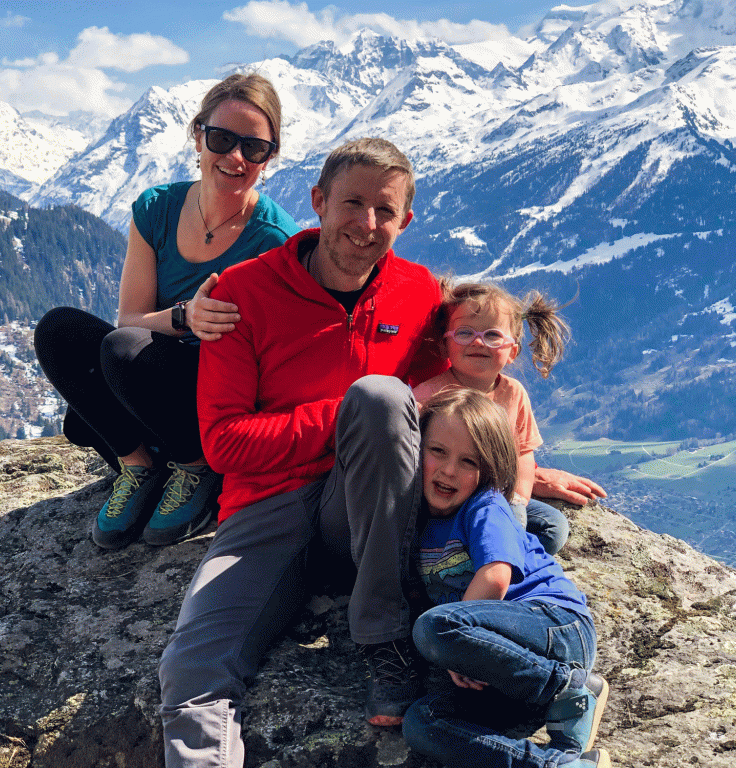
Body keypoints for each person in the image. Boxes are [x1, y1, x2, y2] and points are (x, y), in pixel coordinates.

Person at [158, 137, 448, 767]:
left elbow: (452, 398)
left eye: (385, 211)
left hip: (368, 507)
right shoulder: (243, 292)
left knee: (380, 399)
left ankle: (384, 640)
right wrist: (345, 418)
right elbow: (225, 443)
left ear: (406, 220)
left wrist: (520, 460)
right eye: (351, 203)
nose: (366, 224)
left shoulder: (420, 291)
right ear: (318, 202)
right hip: (269, 505)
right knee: (194, 669)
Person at [34, 73, 299, 550]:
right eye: (221, 139)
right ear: (198, 135)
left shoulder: (274, 242)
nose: (236, 157)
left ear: (270, 156)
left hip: (218, 393)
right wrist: (186, 318)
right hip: (151, 369)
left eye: (254, 148)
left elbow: (275, 368)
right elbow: (130, 318)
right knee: (61, 331)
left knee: (119, 360)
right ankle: (141, 467)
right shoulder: (156, 208)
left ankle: (197, 467)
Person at [403, 388, 610, 768]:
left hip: (554, 627)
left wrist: (458, 647)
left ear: (490, 469)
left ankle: (569, 691)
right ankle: (556, 764)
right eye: (437, 452)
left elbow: (496, 576)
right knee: (422, 723)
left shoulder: (485, 506)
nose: (449, 470)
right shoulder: (413, 518)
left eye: (468, 461)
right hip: (508, 675)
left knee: (434, 627)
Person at [413, 280, 605, 555]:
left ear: (513, 351)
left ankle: (501, 562)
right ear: (445, 346)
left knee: (553, 527)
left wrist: (517, 499)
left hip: (494, 496)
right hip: (443, 496)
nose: (478, 341)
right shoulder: (429, 395)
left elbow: (523, 454)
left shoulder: (514, 394)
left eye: (492, 335)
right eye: (465, 333)